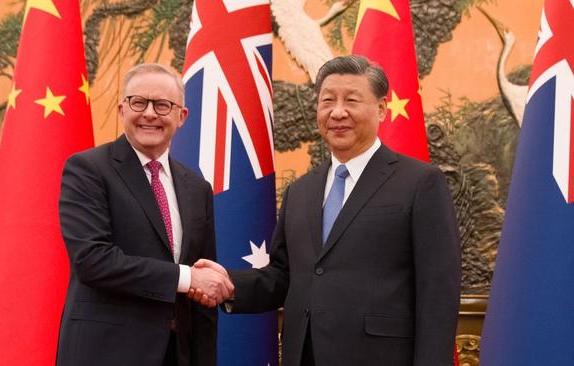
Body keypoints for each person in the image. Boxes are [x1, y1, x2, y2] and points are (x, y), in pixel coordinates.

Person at [193, 55, 461, 365]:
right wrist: (228, 284)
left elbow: (438, 292)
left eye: (351, 100)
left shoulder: (420, 182)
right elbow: (284, 276)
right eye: (327, 101)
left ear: (381, 109)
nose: (337, 112)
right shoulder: (301, 190)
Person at [56, 63, 233, 366]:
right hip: (105, 354)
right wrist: (187, 278)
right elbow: (93, 261)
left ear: (181, 116)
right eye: (139, 102)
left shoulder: (197, 188)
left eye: (163, 105)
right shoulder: (88, 169)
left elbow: (201, 298)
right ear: (122, 110)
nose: (149, 113)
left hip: (176, 354)